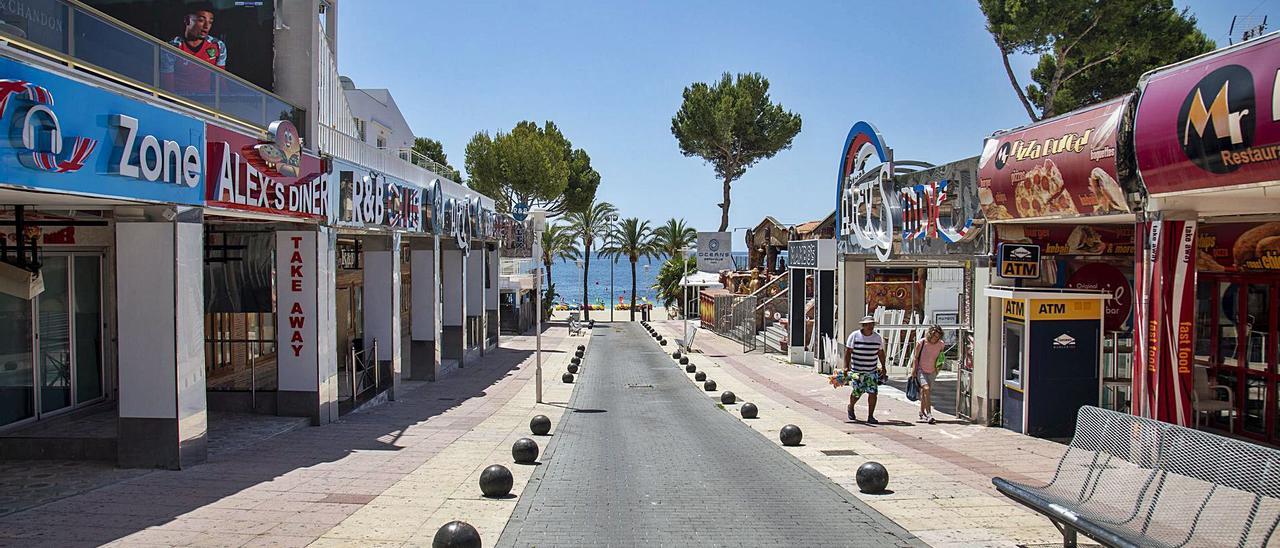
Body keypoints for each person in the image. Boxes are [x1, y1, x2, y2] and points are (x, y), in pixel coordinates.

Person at [843, 315, 886, 424]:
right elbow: (848, 352)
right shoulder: (855, 336)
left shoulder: (877, 338)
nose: (870, 327)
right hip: (857, 370)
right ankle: (851, 406)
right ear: (863, 325)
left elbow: (880, 353)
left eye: (871, 324)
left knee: (873, 393)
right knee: (857, 392)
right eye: (867, 325)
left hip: (871, 371)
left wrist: (884, 367)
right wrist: (846, 367)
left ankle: (870, 416)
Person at [170, 4, 227, 70]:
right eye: (201, 20)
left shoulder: (218, 45)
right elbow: (167, 78)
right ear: (187, 20)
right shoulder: (172, 47)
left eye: (210, 22)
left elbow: (221, 77)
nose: (206, 26)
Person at [911, 325, 945, 424]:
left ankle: (922, 412)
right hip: (921, 370)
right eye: (934, 336)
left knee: (925, 392)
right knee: (926, 389)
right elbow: (915, 357)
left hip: (933, 370)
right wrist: (914, 370)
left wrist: (938, 368)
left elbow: (941, 357)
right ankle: (929, 414)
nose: (936, 338)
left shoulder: (941, 344)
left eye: (938, 336)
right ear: (930, 334)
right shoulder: (921, 343)